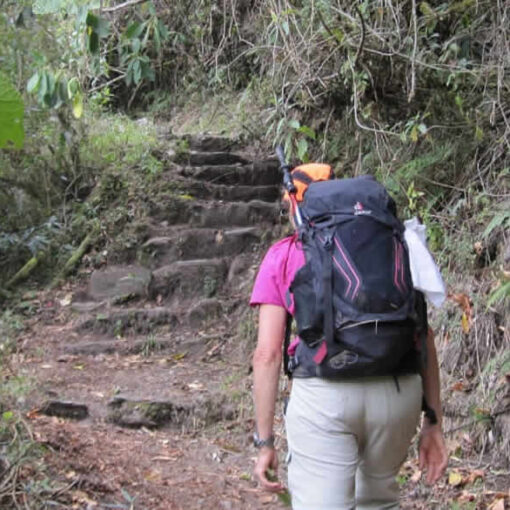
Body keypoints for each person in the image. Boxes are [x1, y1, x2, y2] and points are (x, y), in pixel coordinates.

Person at [250, 166, 448, 509]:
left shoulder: (285, 253)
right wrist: (433, 422)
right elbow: (423, 333)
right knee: (378, 501)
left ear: (297, 204)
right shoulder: (397, 242)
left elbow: (267, 354)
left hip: (325, 397)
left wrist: (264, 440)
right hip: (398, 391)